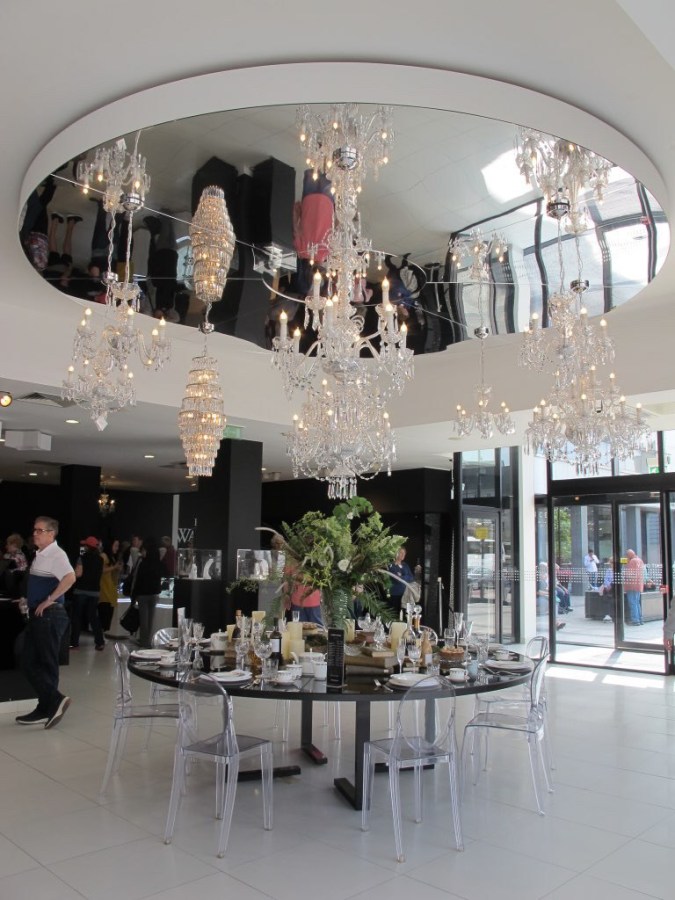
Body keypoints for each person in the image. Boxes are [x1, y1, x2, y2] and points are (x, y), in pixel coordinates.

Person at [15, 516, 74, 728]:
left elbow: (70, 577)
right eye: (34, 530)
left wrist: (49, 600)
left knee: (45, 663)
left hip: (51, 616)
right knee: (26, 658)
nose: (35, 534)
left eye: (40, 531)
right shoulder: (40, 554)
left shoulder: (57, 554)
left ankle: (50, 704)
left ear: (51, 534)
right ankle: (48, 703)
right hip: (39, 615)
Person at [70, 536, 105, 650]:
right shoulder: (100, 559)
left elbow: (78, 574)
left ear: (87, 547)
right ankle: (100, 642)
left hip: (81, 590)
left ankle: (74, 642)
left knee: (77, 616)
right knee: (93, 617)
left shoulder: (81, 558)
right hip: (94, 592)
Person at [130, 536, 163, 647]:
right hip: (154, 594)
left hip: (143, 594)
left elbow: (138, 579)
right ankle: (149, 642)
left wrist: (134, 595)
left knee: (143, 621)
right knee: (150, 621)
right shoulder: (157, 563)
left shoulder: (143, 563)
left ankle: (144, 643)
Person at [99, 538, 122, 633]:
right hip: (104, 590)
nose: (117, 548)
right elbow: (101, 570)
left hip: (111, 590)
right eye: (115, 545)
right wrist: (114, 567)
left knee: (108, 616)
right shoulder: (103, 556)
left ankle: (103, 634)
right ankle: (101, 635)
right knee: (104, 615)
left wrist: (118, 569)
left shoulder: (112, 557)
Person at [624, 549, 645, 626]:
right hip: (639, 584)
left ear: (629, 555)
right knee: (637, 602)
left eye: (627, 555)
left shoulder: (632, 562)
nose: (626, 556)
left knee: (632, 602)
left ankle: (635, 620)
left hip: (632, 585)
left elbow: (628, 574)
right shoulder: (640, 560)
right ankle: (640, 619)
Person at [598, 557, 615, 622]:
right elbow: (605, 579)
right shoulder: (608, 570)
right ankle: (607, 614)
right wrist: (607, 585)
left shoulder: (618, 570)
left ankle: (611, 614)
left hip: (614, 587)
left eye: (612, 562)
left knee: (611, 599)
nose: (611, 564)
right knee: (606, 599)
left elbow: (617, 579)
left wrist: (611, 585)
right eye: (611, 562)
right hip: (608, 587)